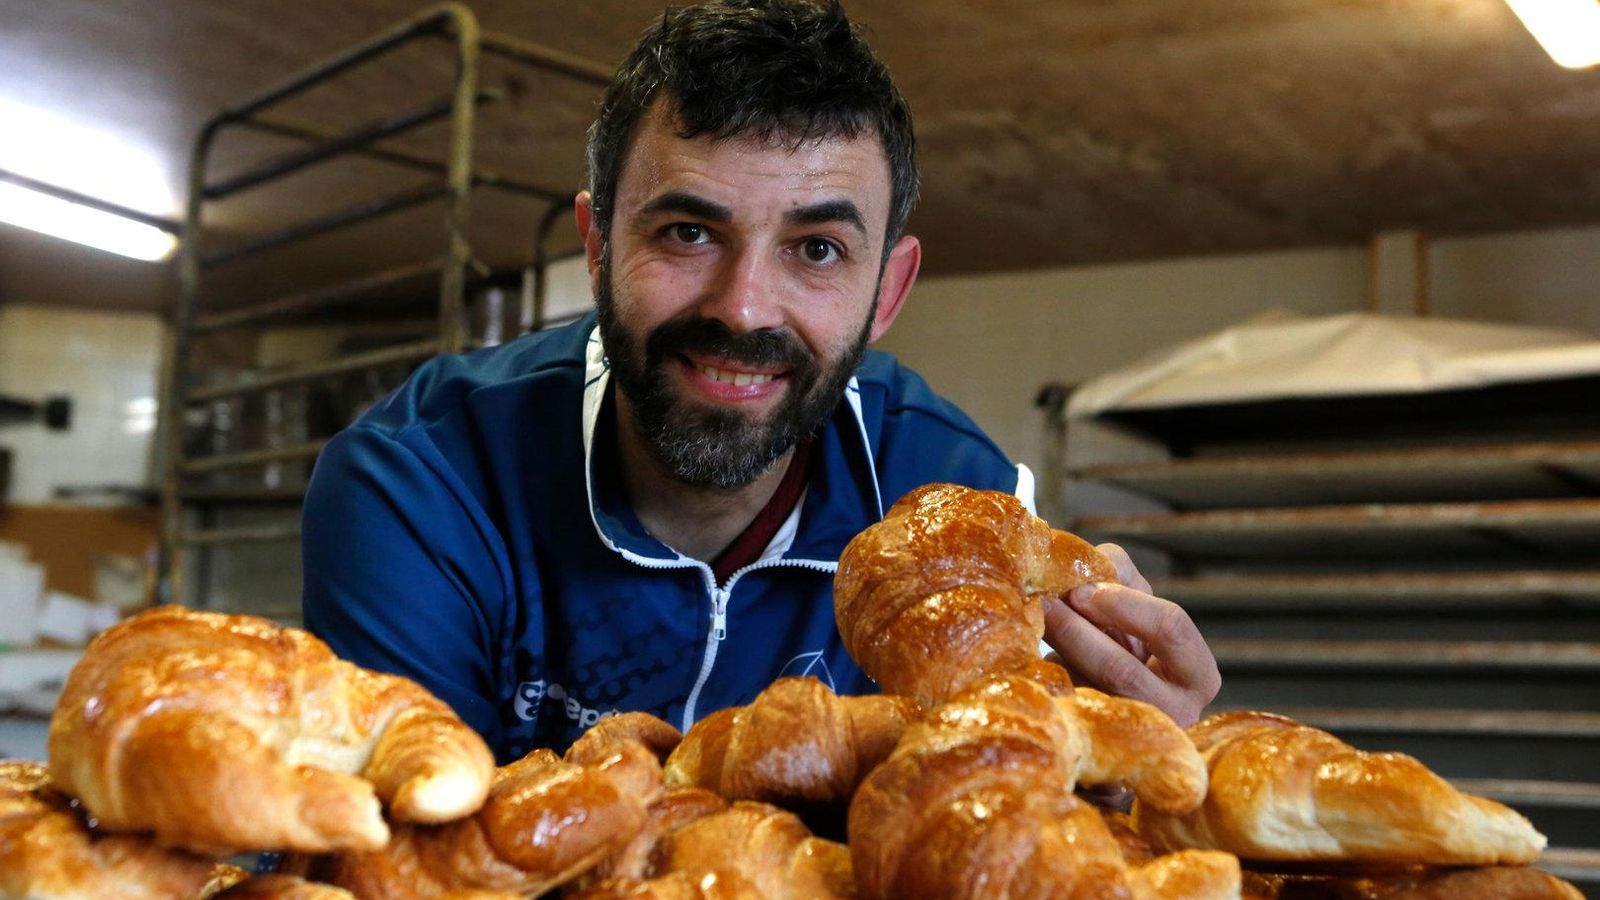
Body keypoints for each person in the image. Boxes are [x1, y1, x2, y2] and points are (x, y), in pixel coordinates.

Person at [302, 0, 1218, 762]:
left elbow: (977, 814)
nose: (743, 310)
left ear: (887, 290)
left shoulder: (959, 500)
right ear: (596, 245)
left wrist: (1115, 776)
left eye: (816, 249)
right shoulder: (419, 489)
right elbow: (405, 863)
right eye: (687, 233)